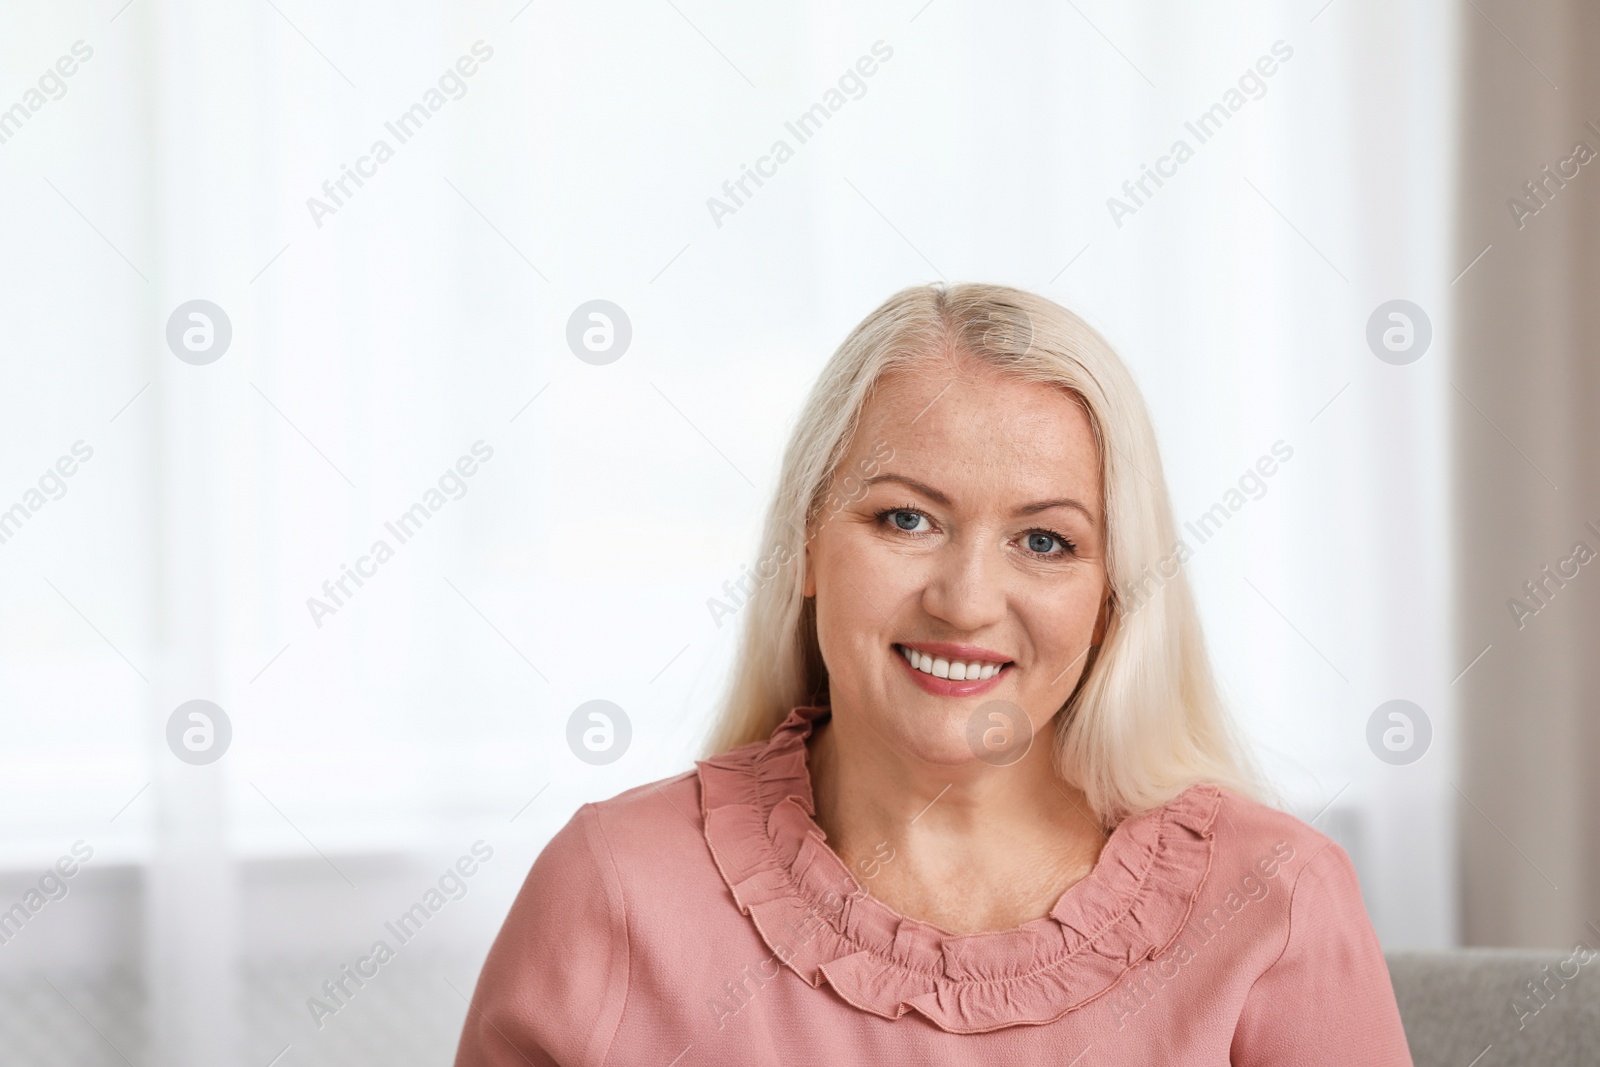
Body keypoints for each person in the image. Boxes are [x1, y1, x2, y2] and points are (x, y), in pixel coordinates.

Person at [454, 283, 1414, 1064]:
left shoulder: (1275, 902)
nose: (965, 600)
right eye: (905, 519)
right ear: (806, 547)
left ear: (1113, 597)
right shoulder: (614, 887)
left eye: (1045, 540)